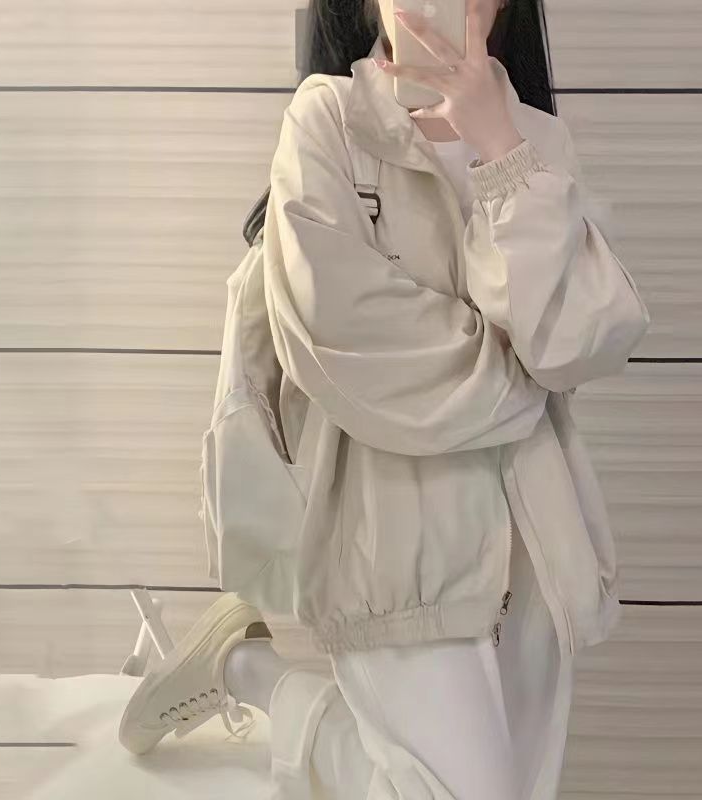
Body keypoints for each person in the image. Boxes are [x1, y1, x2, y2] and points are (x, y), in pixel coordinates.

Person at [118, 0, 650, 797]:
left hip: (537, 546)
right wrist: (522, 374)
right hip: (398, 538)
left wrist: (499, 146)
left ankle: (245, 664)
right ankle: (254, 673)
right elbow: (344, 336)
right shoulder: (328, 121)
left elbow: (580, 341)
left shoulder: (536, 139)